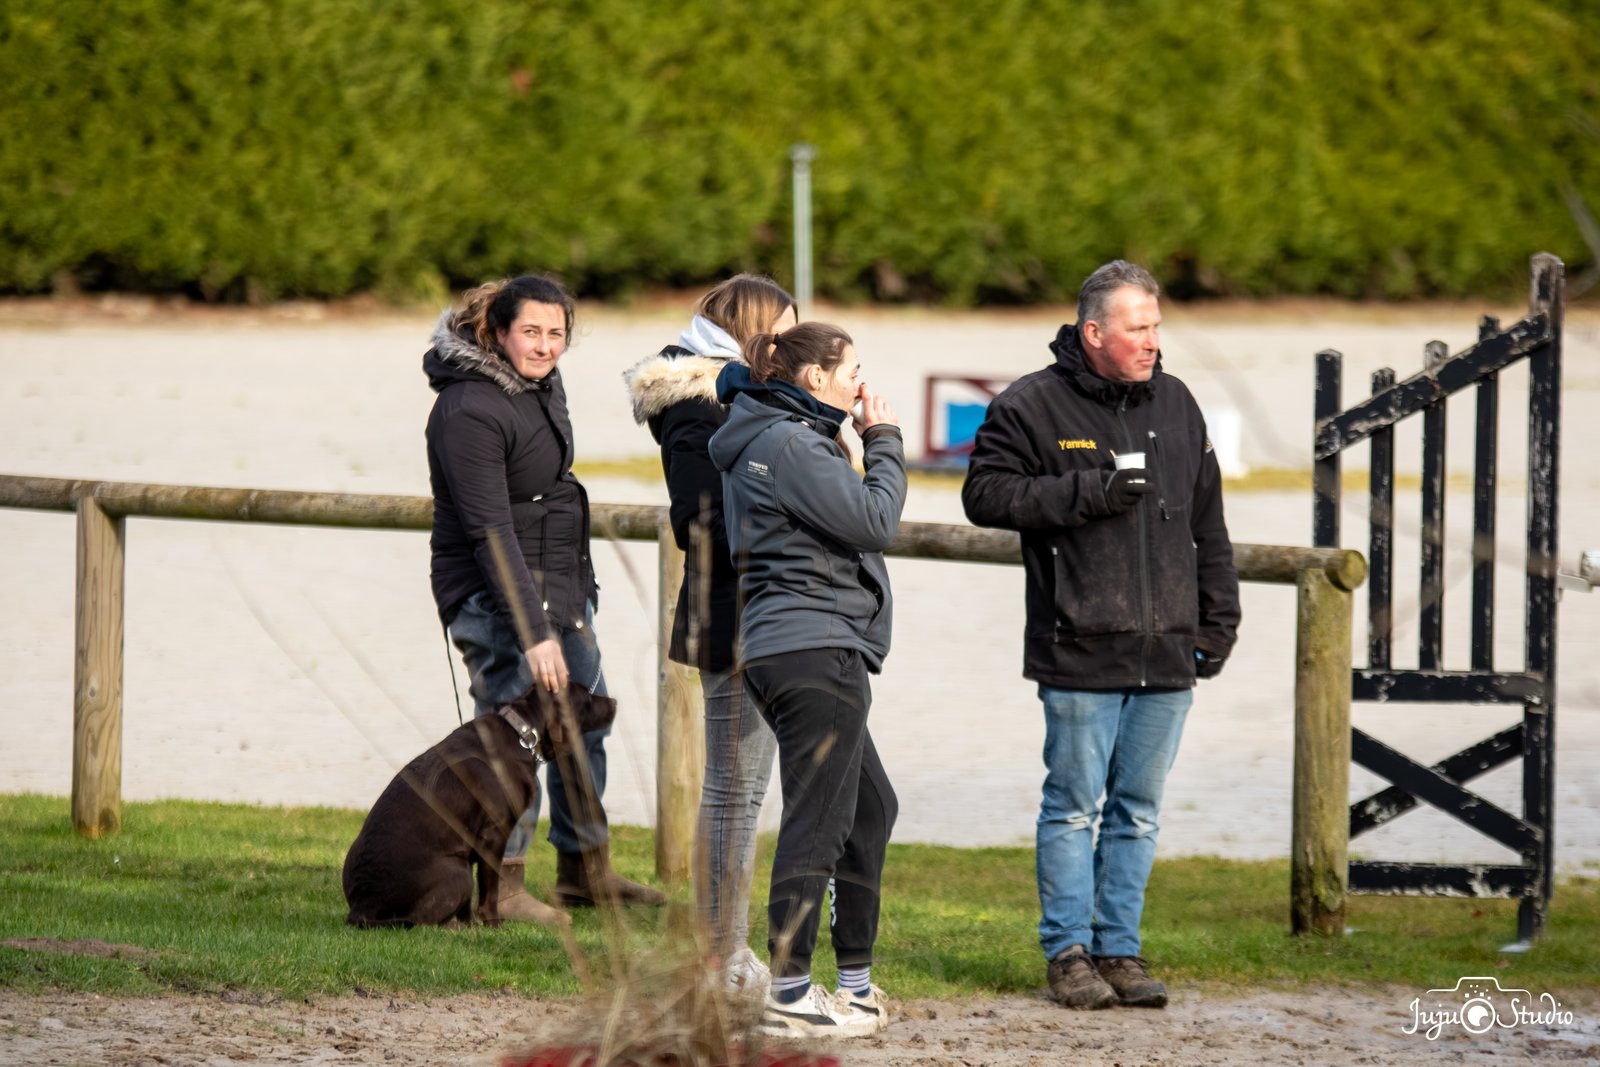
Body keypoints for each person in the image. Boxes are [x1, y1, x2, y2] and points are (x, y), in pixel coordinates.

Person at [961, 260, 1240, 1011]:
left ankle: (1120, 949)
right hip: (1078, 646)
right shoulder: (1030, 405)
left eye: (1156, 326)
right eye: (1137, 328)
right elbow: (984, 495)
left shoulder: (1177, 402)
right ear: (1093, 332)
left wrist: (1219, 622)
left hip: (1169, 650)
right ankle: (1069, 955)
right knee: (1073, 807)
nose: (1152, 341)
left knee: (1138, 813)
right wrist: (1091, 491)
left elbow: (1208, 523)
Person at [423, 273, 666, 926]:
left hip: (561, 590)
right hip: (495, 598)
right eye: (530, 331)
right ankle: (502, 886)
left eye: (556, 333)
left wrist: (574, 597)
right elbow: (489, 530)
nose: (545, 345)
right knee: (514, 739)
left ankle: (586, 870)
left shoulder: (540, 384)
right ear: (498, 332)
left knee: (589, 721)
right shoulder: (468, 408)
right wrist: (534, 633)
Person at [708, 322, 905, 1039]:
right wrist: (883, 441)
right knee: (818, 820)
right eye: (852, 370)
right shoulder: (791, 443)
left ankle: (854, 987)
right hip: (815, 648)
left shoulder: (770, 435)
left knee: (870, 808)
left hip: (790, 646)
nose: (860, 382)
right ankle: (789, 994)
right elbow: (874, 520)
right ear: (815, 377)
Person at [621, 274, 796, 992]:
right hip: (734, 607)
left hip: (762, 604)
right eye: (782, 334)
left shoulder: (740, 396)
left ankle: (727, 948)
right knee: (735, 789)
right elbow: (701, 517)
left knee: (744, 788)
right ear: (751, 332)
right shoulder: (699, 407)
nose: (791, 347)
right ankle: (721, 953)